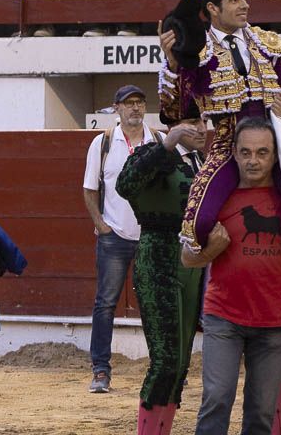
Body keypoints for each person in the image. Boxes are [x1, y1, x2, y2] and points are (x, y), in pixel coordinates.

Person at [181, 117, 281, 435]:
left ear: (275, 156)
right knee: (216, 401)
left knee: (261, 413)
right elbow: (187, 258)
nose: (253, 160)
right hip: (224, 316)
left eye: (262, 152)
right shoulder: (217, 198)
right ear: (234, 152)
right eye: (246, 152)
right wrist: (210, 252)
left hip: (274, 319)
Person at [157, 0, 281, 253]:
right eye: (235, 0)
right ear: (213, 8)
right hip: (229, 144)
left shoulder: (267, 43)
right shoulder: (196, 49)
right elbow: (175, 112)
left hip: (276, 144)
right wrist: (173, 64)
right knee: (197, 225)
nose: (245, 5)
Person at [115, 106, 207, 435]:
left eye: (204, 120)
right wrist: (168, 144)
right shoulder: (151, 153)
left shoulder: (202, 162)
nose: (202, 127)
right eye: (194, 121)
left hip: (193, 264)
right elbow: (125, 185)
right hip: (157, 258)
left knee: (180, 361)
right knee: (166, 359)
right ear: (173, 124)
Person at [81, 84, 162, 393]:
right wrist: (101, 225)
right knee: (105, 303)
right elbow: (90, 189)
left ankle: (159, 366)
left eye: (140, 102)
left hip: (149, 236)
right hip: (114, 235)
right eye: (129, 103)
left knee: (154, 304)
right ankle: (100, 370)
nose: (135, 108)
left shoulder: (158, 141)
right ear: (116, 108)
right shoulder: (102, 143)